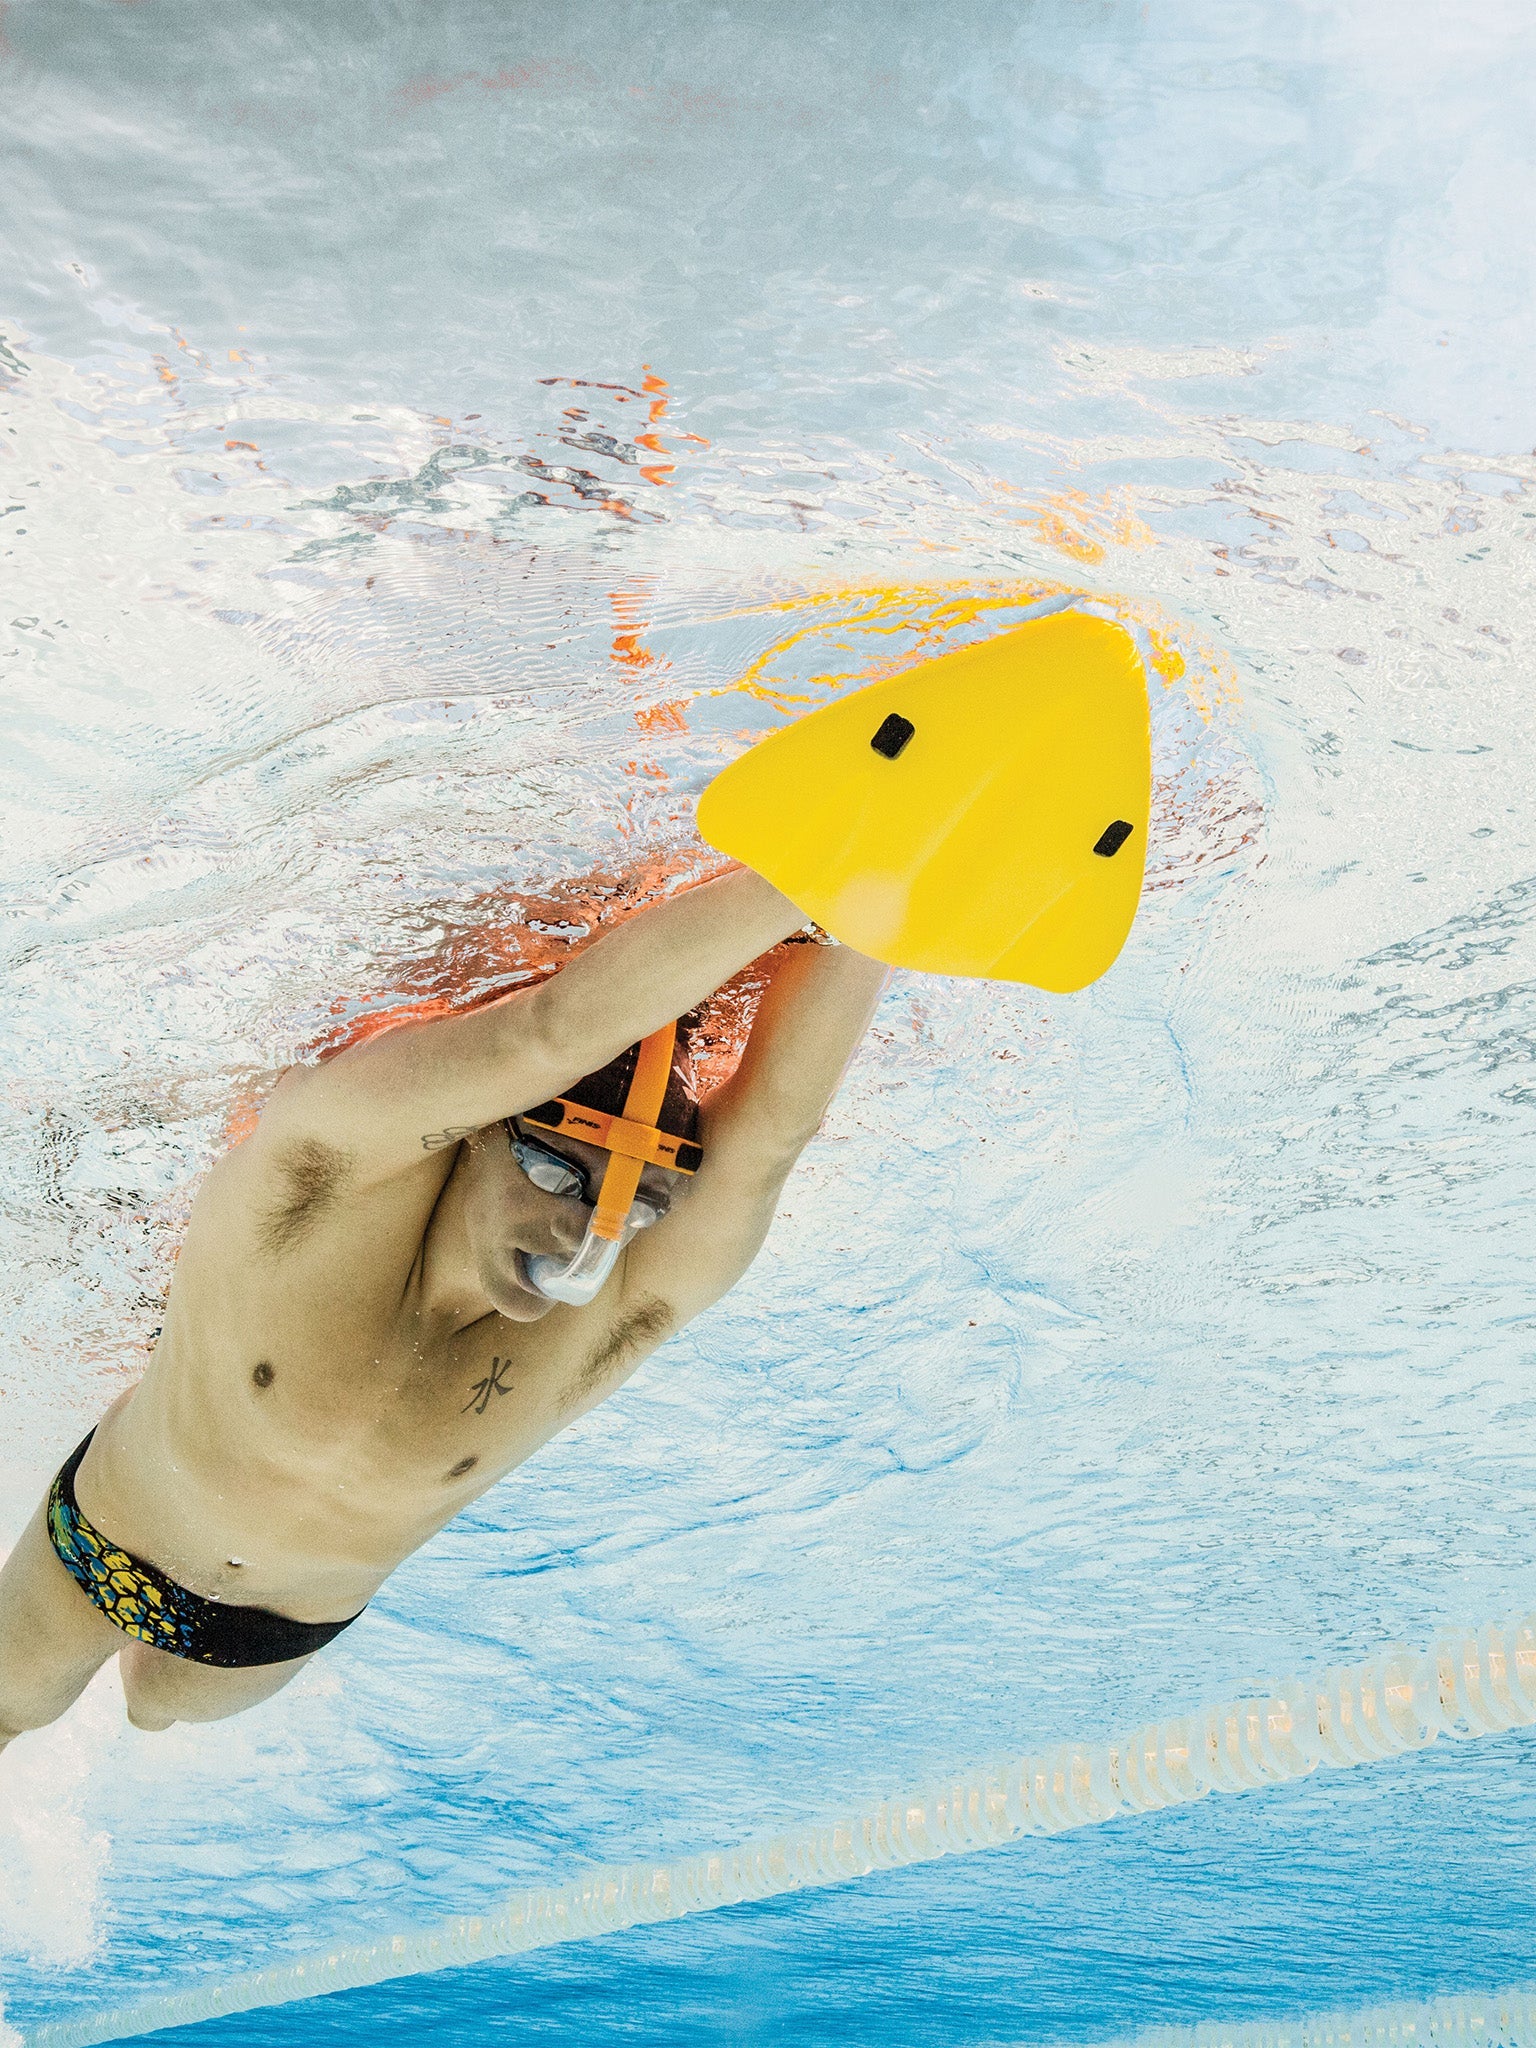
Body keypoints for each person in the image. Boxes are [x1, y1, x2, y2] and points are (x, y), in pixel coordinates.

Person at [0, 866, 887, 1751]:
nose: (583, 1234)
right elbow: (542, 1035)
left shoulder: (625, 1304)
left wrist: (879, 904)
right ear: (483, 1125)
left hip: (273, 1634)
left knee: (159, 1708)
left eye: (639, 1207)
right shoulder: (324, 1169)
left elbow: (772, 1134)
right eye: (556, 1175)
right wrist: (829, 865)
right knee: (12, 1706)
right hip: (107, 1545)